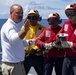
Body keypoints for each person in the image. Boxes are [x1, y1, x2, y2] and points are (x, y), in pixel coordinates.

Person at [1, 4, 30, 75]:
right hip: (13, 66)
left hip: (15, 65)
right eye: (18, 13)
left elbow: (18, 42)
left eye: (22, 13)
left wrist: (30, 42)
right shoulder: (9, 26)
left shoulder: (14, 25)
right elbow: (14, 40)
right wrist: (25, 30)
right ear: (11, 13)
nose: (20, 15)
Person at [21, 10, 45, 75]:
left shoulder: (42, 29)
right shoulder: (24, 28)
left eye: (34, 17)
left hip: (38, 56)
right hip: (27, 56)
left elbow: (43, 41)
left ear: (38, 18)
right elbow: (21, 40)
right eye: (30, 17)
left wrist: (35, 49)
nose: (32, 19)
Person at [58, 3, 76, 75]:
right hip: (67, 57)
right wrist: (59, 39)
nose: (69, 16)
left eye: (72, 13)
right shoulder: (66, 24)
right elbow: (59, 34)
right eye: (67, 14)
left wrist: (72, 45)